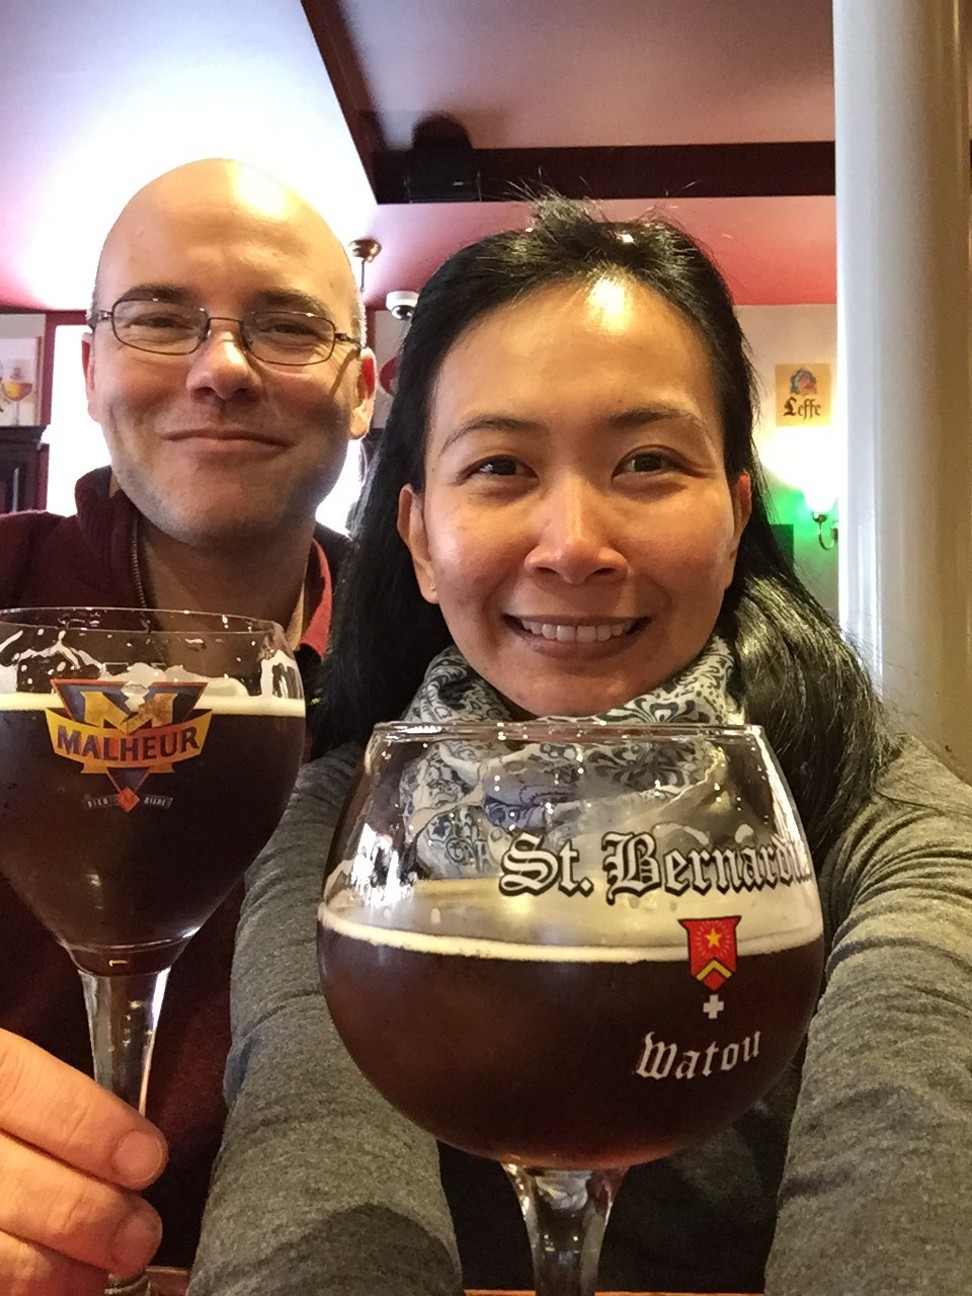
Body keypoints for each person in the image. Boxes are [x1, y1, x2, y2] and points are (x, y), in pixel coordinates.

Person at [189, 198, 972, 1296]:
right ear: (417, 537)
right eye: (501, 468)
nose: (575, 546)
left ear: (736, 513)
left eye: (649, 462)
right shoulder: (347, 818)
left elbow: (916, 1128)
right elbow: (313, 1156)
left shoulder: (878, 806)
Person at [0, 158, 375, 1294]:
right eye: (161, 318)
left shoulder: (435, 660)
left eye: (287, 326)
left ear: (362, 390)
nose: (221, 368)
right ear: (93, 364)